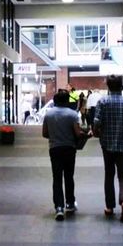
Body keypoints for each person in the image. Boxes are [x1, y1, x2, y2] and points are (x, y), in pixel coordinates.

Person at [93, 74, 123, 223]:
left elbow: (97, 122)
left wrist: (97, 131)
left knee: (109, 174)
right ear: (121, 86)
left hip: (107, 143)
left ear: (108, 86)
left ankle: (110, 207)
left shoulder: (103, 101)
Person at [42, 90, 86, 221]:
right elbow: (78, 134)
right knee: (68, 176)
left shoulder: (48, 114)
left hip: (54, 149)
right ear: (67, 101)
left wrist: (55, 135)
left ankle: (59, 208)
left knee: (56, 178)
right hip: (69, 149)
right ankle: (70, 204)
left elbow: (44, 133)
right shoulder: (72, 114)